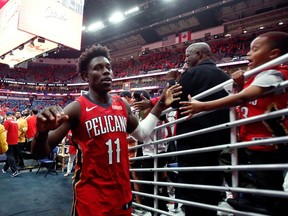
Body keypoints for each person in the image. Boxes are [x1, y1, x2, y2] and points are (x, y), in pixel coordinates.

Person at [31, 44, 182, 216]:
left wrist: (160, 105)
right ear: (85, 76)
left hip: (122, 196)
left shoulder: (122, 104)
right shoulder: (76, 108)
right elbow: (39, 153)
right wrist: (41, 132)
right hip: (91, 199)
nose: (106, 72)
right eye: (98, 68)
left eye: (109, 67)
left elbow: (142, 134)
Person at [178, 31, 288, 215]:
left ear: (273, 54)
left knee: (269, 181)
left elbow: (243, 97)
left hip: (269, 141)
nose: (248, 54)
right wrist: (239, 84)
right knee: (229, 159)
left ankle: (273, 206)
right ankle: (252, 197)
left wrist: (203, 106)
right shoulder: (256, 75)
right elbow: (246, 96)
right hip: (251, 139)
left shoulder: (274, 73)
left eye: (255, 49)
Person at [171, 42, 231, 216]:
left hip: (193, 144)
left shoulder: (192, 73)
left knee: (192, 192)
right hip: (218, 142)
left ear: (199, 54)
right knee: (211, 189)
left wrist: (174, 79)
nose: (185, 59)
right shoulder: (225, 76)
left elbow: (174, 102)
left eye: (187, 55)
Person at [2, 111, 21, 177]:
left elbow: (5, 133)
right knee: (10, 156)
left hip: (9, 141)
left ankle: (15, 171)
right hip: (15, 141)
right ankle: (5, 168)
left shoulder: (7, 122)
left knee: (10, 156)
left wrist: (3, 141)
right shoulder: (15, 122)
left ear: (6, 116)